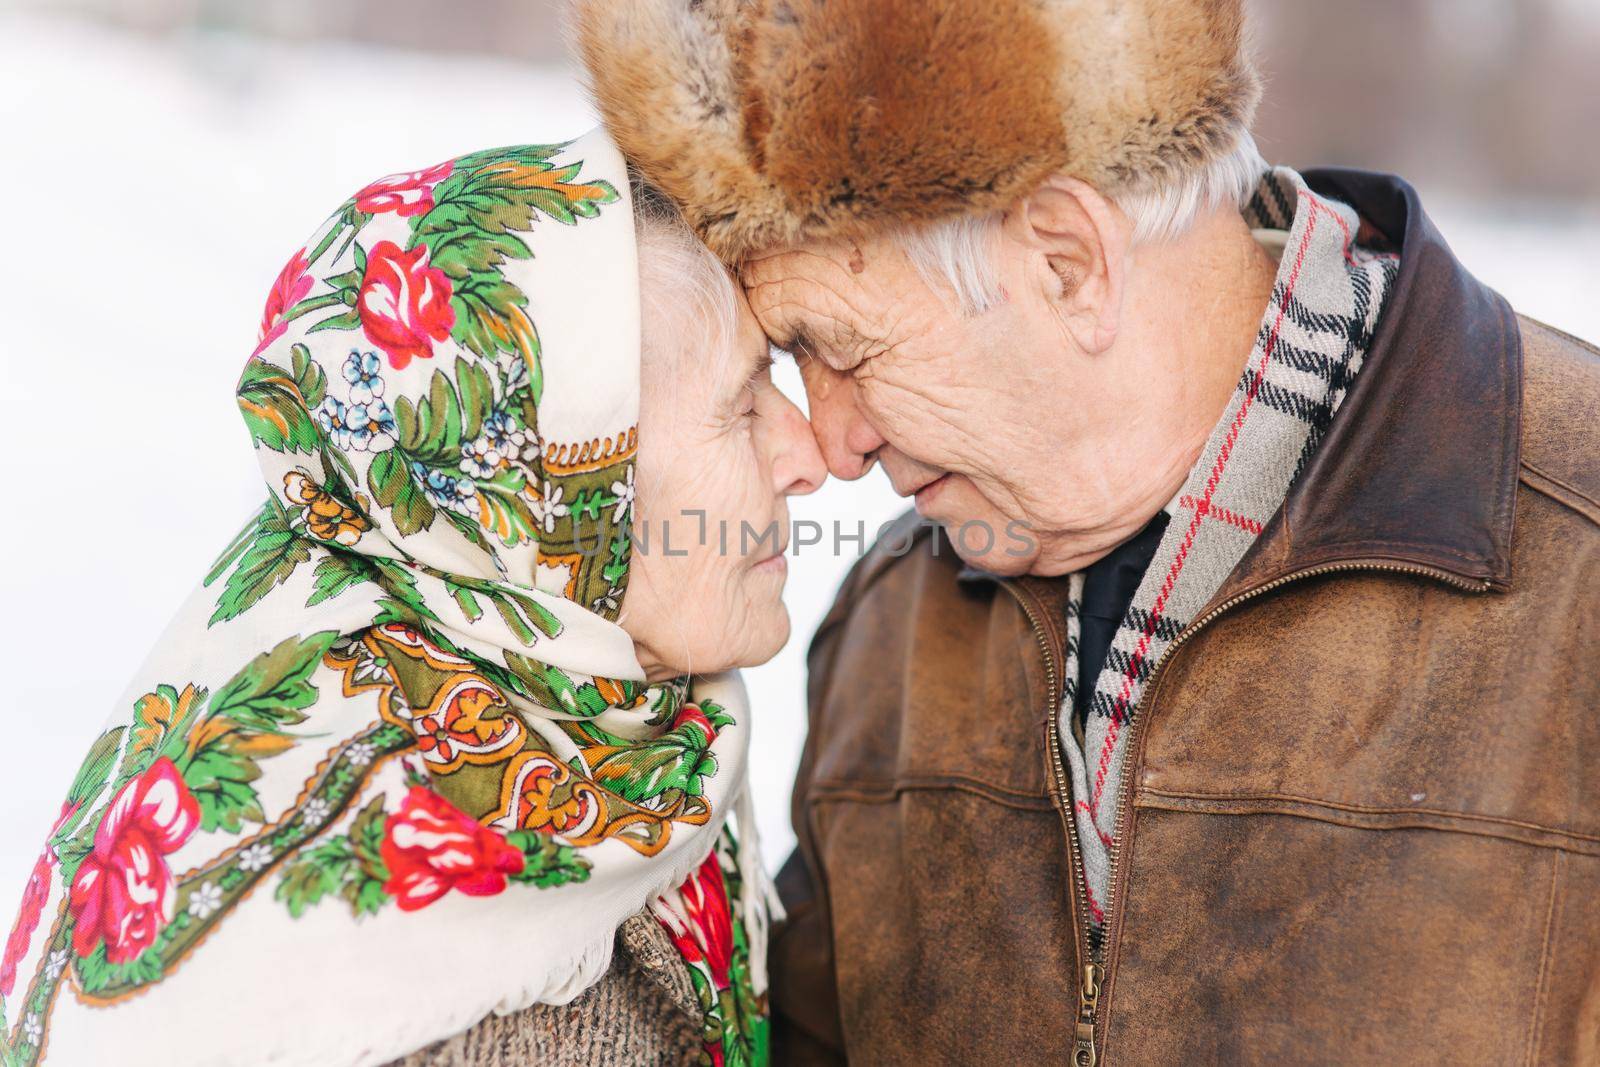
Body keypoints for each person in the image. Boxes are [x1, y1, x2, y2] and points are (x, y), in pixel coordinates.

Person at [576, 1, 1600, 1063]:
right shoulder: (893, 618)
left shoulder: (1578, 566)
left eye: (845, 349)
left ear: (1069, 263)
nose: (832, 444)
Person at [0, 127, 824, 1067]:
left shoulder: (636, 730)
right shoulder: (391, 987)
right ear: (537, 488)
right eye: (744, 402)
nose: (810, 456)